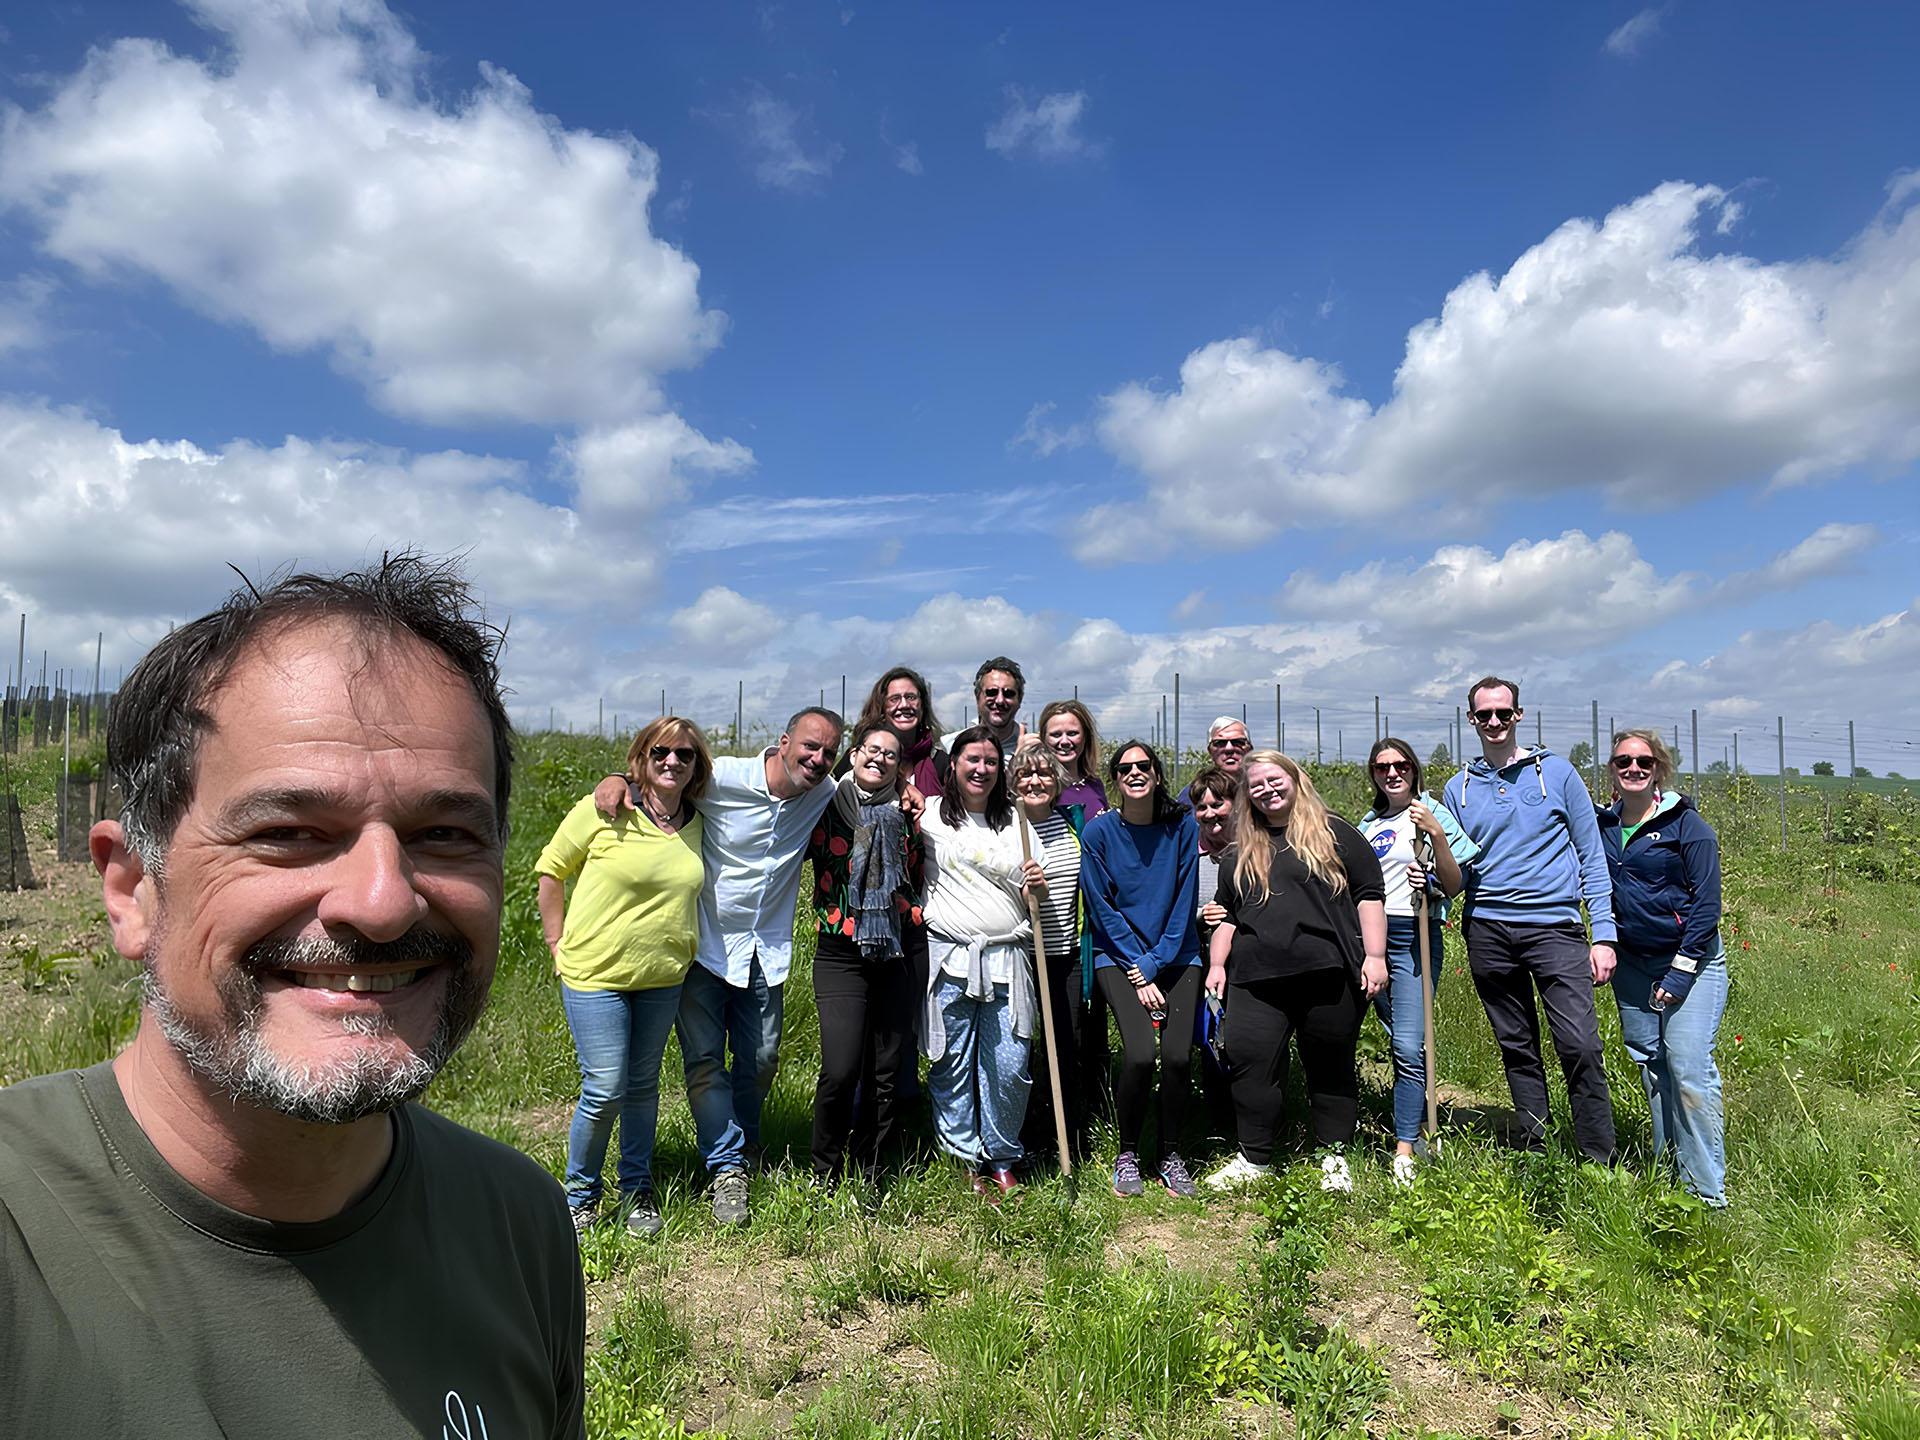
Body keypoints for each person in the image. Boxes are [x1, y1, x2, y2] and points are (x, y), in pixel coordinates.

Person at [0, 557, 585, 1437]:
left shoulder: (518, 1221)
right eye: (289, 834)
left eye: (446, 833)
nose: (384, 902)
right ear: (132, 891)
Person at [592, 706, 847, 1228]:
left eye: (827, 752)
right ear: (783, 742)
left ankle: (743, 1145)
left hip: (765, 951)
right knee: (705, 1063)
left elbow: (882, 778)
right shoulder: (723, 777)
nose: (818, 759)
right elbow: (666, 777)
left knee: (762, 1057)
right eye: (809, 747)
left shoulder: (822, 792)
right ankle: (729, 1168)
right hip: (704, 947)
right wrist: (619, 778)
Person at [536, 716, 711, 1237]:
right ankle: (580, 1196)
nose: (672, 762)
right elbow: (551, 871)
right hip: (595, 975)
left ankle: (637, 1190)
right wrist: (554, 942)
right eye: (661, 752)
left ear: (697, 766)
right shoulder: (606, 809)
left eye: (685, 754)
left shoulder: (701, 821)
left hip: (663, 977)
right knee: (606, 1088)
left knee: (642, 1087)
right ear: (642, 757)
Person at [1441, 676, 1618, 1163]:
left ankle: (1598, 1158)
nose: (1494, 721)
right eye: (1484, 715)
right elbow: (1452, 864)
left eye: (1503, 712)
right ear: (1471, 719)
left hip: (1555, 929)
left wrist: (1602, 935)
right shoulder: (1458, 789)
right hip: (1488, 931)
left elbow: (1592, 856)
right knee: (1517, 1045)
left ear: (1519, 715)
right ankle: (1538, 1146)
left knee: (1579, 1044)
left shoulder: (1557, 774)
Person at [1204, 752, 1387, 1193]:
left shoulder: (1335, 832)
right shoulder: (1241, 848)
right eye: (1256, 785)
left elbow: (1369, 895)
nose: (1267, 789)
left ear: (1294, 779)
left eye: (1274, 779)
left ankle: (1333, 1157)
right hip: (1255, 977)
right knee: (1249, 1060)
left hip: (1329, 973)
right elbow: (1228, 913)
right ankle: (1255, 1157)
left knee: (1329, 1064)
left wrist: (1375, 956)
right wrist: (1215, 965)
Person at [1598, 729, 1729, 1206]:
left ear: (1660, 769)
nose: (1633, 768)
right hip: (1633, 964)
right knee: (1653, 1065)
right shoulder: (1603, 826)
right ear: (1611, 769)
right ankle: (1669, 1177)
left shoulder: (1688, 826)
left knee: (1688, 1068)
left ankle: (1707, 1195)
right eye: (1623, 761)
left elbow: (1706, 906)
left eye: (1643, 762)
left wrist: (1680, 973)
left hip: (1691, 963)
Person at [917, 725, 1044, 1197]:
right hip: (948, 956)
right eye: (972, 759)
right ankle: (964, 1157)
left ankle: (1003, 1153)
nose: (982, 769)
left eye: (991, 762)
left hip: (1006, 958)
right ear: (953, 765)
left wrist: (1037, 883)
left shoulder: (1018, 822)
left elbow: (1038, 889)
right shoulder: (928, 816)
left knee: (1009, 1064)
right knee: (950, 1062)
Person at [807, 719, 926, 1188]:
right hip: (840, 951)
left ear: (900, 768)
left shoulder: (910, 814)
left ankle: (872, 1169)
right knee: (840, 1069)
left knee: (887, 1071)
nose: (879, 758)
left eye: (890, 754)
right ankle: (825, 1170)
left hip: (899, 949)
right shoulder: (821, 807)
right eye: (871, 750)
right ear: (853, 755)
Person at [1082, 740, 1203, 1199]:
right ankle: (1127, 1152)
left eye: (1144, 766)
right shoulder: (1098, 835)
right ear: (1114, 779)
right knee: (1138, 1054)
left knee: (1174, 1056)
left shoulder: (1182, 828)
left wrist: (1154, 965)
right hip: (1117, 956)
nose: (1135, 772)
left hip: (1177, 954)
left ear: (1156, 774)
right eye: (1125, 767)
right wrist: (1138, 968)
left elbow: (1183, 901)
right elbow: (1101, 908)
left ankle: (1170, 1155)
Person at [1357, 738, 1477, 1184]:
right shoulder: (1367, 825)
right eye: (1382, 766)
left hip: (1413, 933)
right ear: (1373, 773)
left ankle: (1405, 1148)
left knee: (1409, 1044)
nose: (1392, 773)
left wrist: (1437, 846)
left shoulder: (1430, 814)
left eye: (1401, 765)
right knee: (1391, 1035)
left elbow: (1455, 882)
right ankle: (1408, 1116)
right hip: (1367, 936)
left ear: (1414, 769)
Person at [1008, 741, 1089, 1164]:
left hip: (1066, 954)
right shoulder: (1005, 827)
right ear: (1013, 782)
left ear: (1057, 782)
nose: (1035, 781)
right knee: (1017, 1048)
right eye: (1025, 774)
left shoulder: (1071, 823)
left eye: (1043, 773)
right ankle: (1018, 1138)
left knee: (1064, 1046)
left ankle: (1067, 1141)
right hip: (1020, 957)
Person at [1188, 763, 1239, 1142]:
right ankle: (1219, 1123)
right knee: (1210, 1043)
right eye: (1202, 807)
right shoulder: (1191, 859)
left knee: (1250, 1042)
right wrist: (1199, 916)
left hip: (1250, 966)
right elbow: (1172, 912)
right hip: (1204, 967)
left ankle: (1256, 1120)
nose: (1210, 814)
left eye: (1218, 804)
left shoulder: (1253, 855)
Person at [843, 665, 945, 796]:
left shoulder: (942, 763)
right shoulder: (860, 757)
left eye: (911, 697)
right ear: (882, 708)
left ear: (922, 706)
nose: (904, 705)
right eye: (894, 699)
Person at [1037, 698, 1108, 815]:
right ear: (1043, 739)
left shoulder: (1095, 784)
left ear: (1086, 737)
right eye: (1056, 735)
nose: (1064, 741)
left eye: (1072, 733)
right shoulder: (1038, 787)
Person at [953, 656, 1029, 764]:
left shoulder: (1032, 750)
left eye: (1008, 693)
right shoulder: (950, 746)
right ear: (977, 696)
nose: (1000, 701)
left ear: (1020, 699)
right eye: (992, 692)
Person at [1177, 716, 1252, 806]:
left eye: (1238, 742)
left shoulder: (1263, 790)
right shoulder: (1193, 795)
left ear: (1249, 749)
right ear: (1210, 751)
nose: (1229, 748)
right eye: (1220, 743)